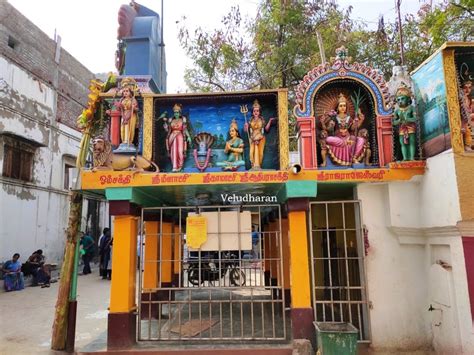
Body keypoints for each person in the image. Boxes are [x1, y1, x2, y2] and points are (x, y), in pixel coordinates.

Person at [320, 93, 368, 166]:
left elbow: (352, 128)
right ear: (337, 107)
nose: (343, 107)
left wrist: (360, 120)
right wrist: (324, 123)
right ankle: (345, 143)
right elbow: (328, 130)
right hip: (338, 139)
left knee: (361, 140)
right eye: (341, 106)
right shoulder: (334, 117)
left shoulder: (349, 118)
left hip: (348, 138)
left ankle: (354, 157)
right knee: (328, 139)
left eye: (344, 105)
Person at [244, 100, 276, 170]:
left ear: (259, 112)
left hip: (261, 138)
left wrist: (270, 121)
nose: (256, 112)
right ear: (252, 112)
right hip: (252, 138)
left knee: (260, 153)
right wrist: (246, 126)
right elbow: (246, 131)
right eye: (254, 111)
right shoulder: (250, 120)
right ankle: (253, 166)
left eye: (257, 111)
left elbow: (266, 129)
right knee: (251, 153)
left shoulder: (262, 120)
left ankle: (258, 166)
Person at [161, 103, 192, 172]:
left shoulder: (183, 119)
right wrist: (165, 126)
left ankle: (180, 166)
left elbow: (185, 129)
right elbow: (168, 130)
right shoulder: (170, 120)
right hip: (172, 137)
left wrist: (189, 137)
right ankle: (174, 167)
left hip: (180, 136)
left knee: (180, 151)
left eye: (177, 112)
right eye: (175, 112)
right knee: (173, 151)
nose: (176, 114)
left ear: (180, 113)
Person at [393, 85, 417, 161]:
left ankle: (412, 158)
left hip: (410, 128)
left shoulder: (411, 108)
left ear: (408, 99)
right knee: (403, 144)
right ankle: (405, 158)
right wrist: (399, 121)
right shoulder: (397, 111)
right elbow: (394, 122)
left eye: (402, 99)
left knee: (411, 142)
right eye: (398, 99)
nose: (400, 101)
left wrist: (408, 119)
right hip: (402, 129)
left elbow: (415, 118)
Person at [117, 77, 138, 147]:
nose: (125, 93)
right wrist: (119, 107)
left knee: (129, 128)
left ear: (130, 92)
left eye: (127, 91)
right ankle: (123, 141)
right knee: (123, 128)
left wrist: (133, 108)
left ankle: (129, 141)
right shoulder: (121, 100)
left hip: (131, 116)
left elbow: (136, 109)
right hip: (124, 116)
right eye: (124, 91)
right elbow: (119, 109)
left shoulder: (133, 100)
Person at [460, 78, 473, 151]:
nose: (468, 90)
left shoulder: (468, 98)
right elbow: (464, 114)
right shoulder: (461, 98)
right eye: (465, 88)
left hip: (467, 125)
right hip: (462, 125)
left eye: (470, 88)